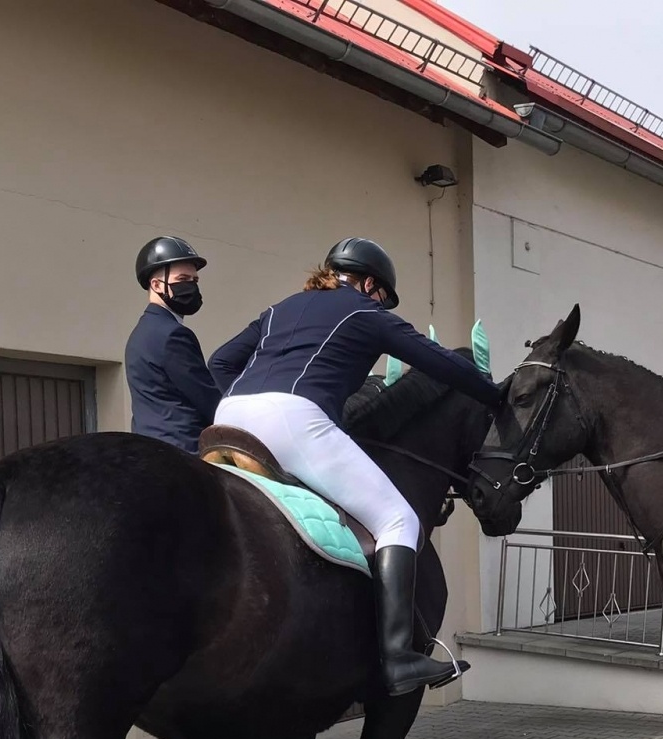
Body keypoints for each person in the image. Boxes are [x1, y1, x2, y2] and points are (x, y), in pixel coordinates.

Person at [208, 237, 506, 696]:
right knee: (397, 519)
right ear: (371, 284)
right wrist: (495, 395)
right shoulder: (367, 312)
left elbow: (221, 361)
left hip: (230, 416)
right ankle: (398, 659)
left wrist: (248, 399)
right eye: (384, 296)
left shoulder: (280, 307)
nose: (384, 304)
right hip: (293, 419)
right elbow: (441, 365)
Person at [124, 236, 223, 454]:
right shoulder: (174, 334)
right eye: (183, 279)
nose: (191, 286)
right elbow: (207, 399)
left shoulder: (139, 334)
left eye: (195, 281)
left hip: (147, 447)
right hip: (184, 449)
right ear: (157, 284)